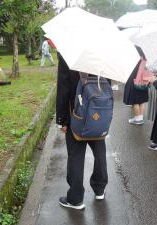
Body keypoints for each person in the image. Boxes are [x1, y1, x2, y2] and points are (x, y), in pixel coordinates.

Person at [56, 53, 108, 210]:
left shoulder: (68, 52)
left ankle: (75, 198)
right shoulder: (101, 51)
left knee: (76, 155)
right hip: (97, 111)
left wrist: (61, 119)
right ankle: (100, 189)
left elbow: (63, 87)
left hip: (76, 112)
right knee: (99, 150)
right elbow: (107, 83)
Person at [123, 47, 149, 125]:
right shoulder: (145, 60)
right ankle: (140, 118)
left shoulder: (137, 60)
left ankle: (137, 119)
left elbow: (135, 72)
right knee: (141, 101)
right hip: (144, 83)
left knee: (135, 101)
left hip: (136, 82)